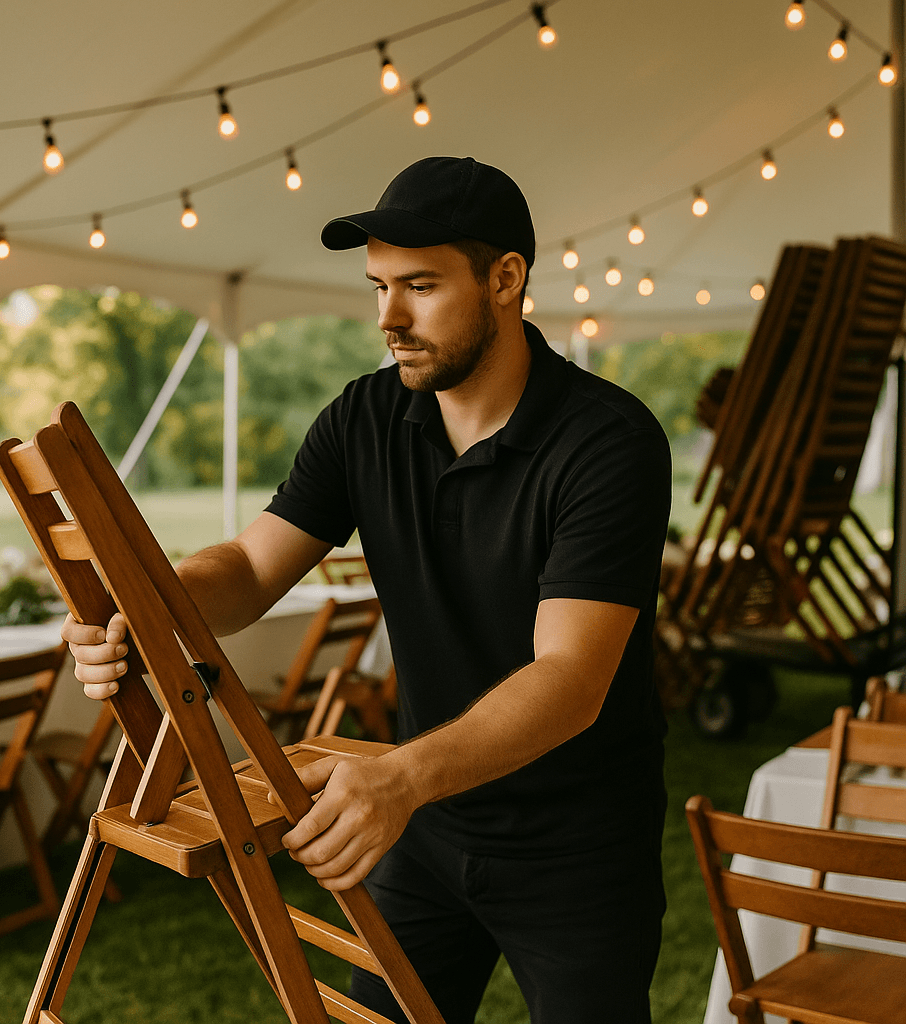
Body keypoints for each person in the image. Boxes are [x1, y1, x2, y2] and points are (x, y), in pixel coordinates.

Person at [63, 156, 672, 1024]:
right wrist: (151, 608)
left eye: (419, 285)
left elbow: (571, 680)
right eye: (378, 286)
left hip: (575, 846)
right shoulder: (362, 419)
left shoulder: (608, 443)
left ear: (507, 280)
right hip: (426, 833)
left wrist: (402, 779)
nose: (388, 317)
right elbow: (249, 568)